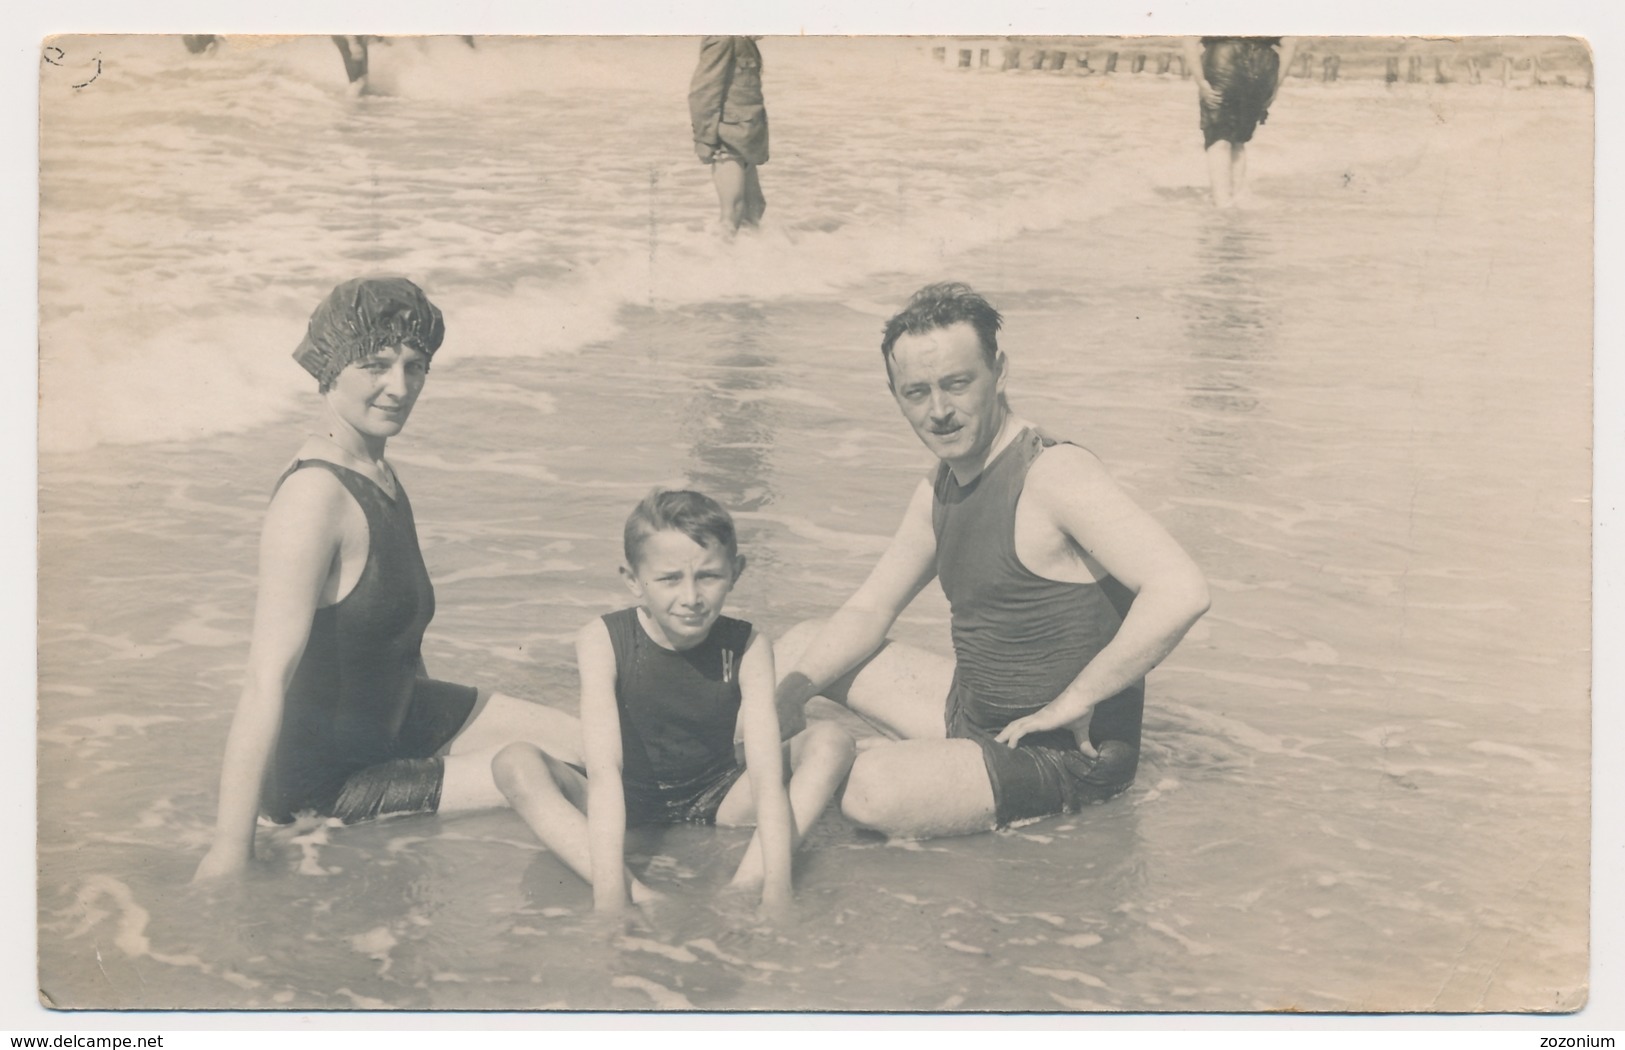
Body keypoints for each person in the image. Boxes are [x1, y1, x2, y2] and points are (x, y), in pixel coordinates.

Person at [773, 283, 1211, 840]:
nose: (939, 412)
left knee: (870, 789)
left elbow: (1181, 589)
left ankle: (856, 778)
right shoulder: (940, 486)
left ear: (999, 371)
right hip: (974, 715)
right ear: (894, 394)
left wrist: (1081, 696)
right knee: (795, 654)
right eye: (916, 392)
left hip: (1062, 753)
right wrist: (790, 697)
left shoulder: (1052, 474)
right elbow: (869, 607)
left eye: (958, 384)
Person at [193, 277, 582, 882]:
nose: (399, 388)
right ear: (328, 367)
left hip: (400, 720)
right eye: (375, 365)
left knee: (599, 749)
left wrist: (436, 739)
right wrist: (228, 852)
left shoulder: (375, 467)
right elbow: (263, 681)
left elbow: (391, 635)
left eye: (415, 366)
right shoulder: (313, 496)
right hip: (327, 784)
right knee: (558, 774)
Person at [490, 490, 855, 917]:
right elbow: (606, 773)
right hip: (629, 796)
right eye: (668, 579)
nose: (691, 597)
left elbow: (765, 775)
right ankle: (640, 893)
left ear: (736, 571)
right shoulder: (603, 639)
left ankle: (745, 884)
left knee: (831, 740)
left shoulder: (749, 645)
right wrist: (611, 902)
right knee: (513, 762)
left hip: (718, 793)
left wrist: (777, 891)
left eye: (709, 576)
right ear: (632, 579)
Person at [1184, 37, 1296, 207]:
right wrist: (1276, 85)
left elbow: (1190, 40)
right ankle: (1237, 198)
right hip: (1262, 67)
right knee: (1239, 139)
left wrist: (1201, 81)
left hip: (1223, 62)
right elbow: (1290, 42)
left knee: (1219, 137)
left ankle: (1222, 203)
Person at [688, 36, 769, 235]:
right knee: (731, 214)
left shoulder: (744, 41)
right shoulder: (723, 37)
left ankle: (746, 262)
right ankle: (715, 261)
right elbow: (703, 92)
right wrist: (704, 139)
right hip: (727, 139)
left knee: (755, 209)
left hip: (748, 136)